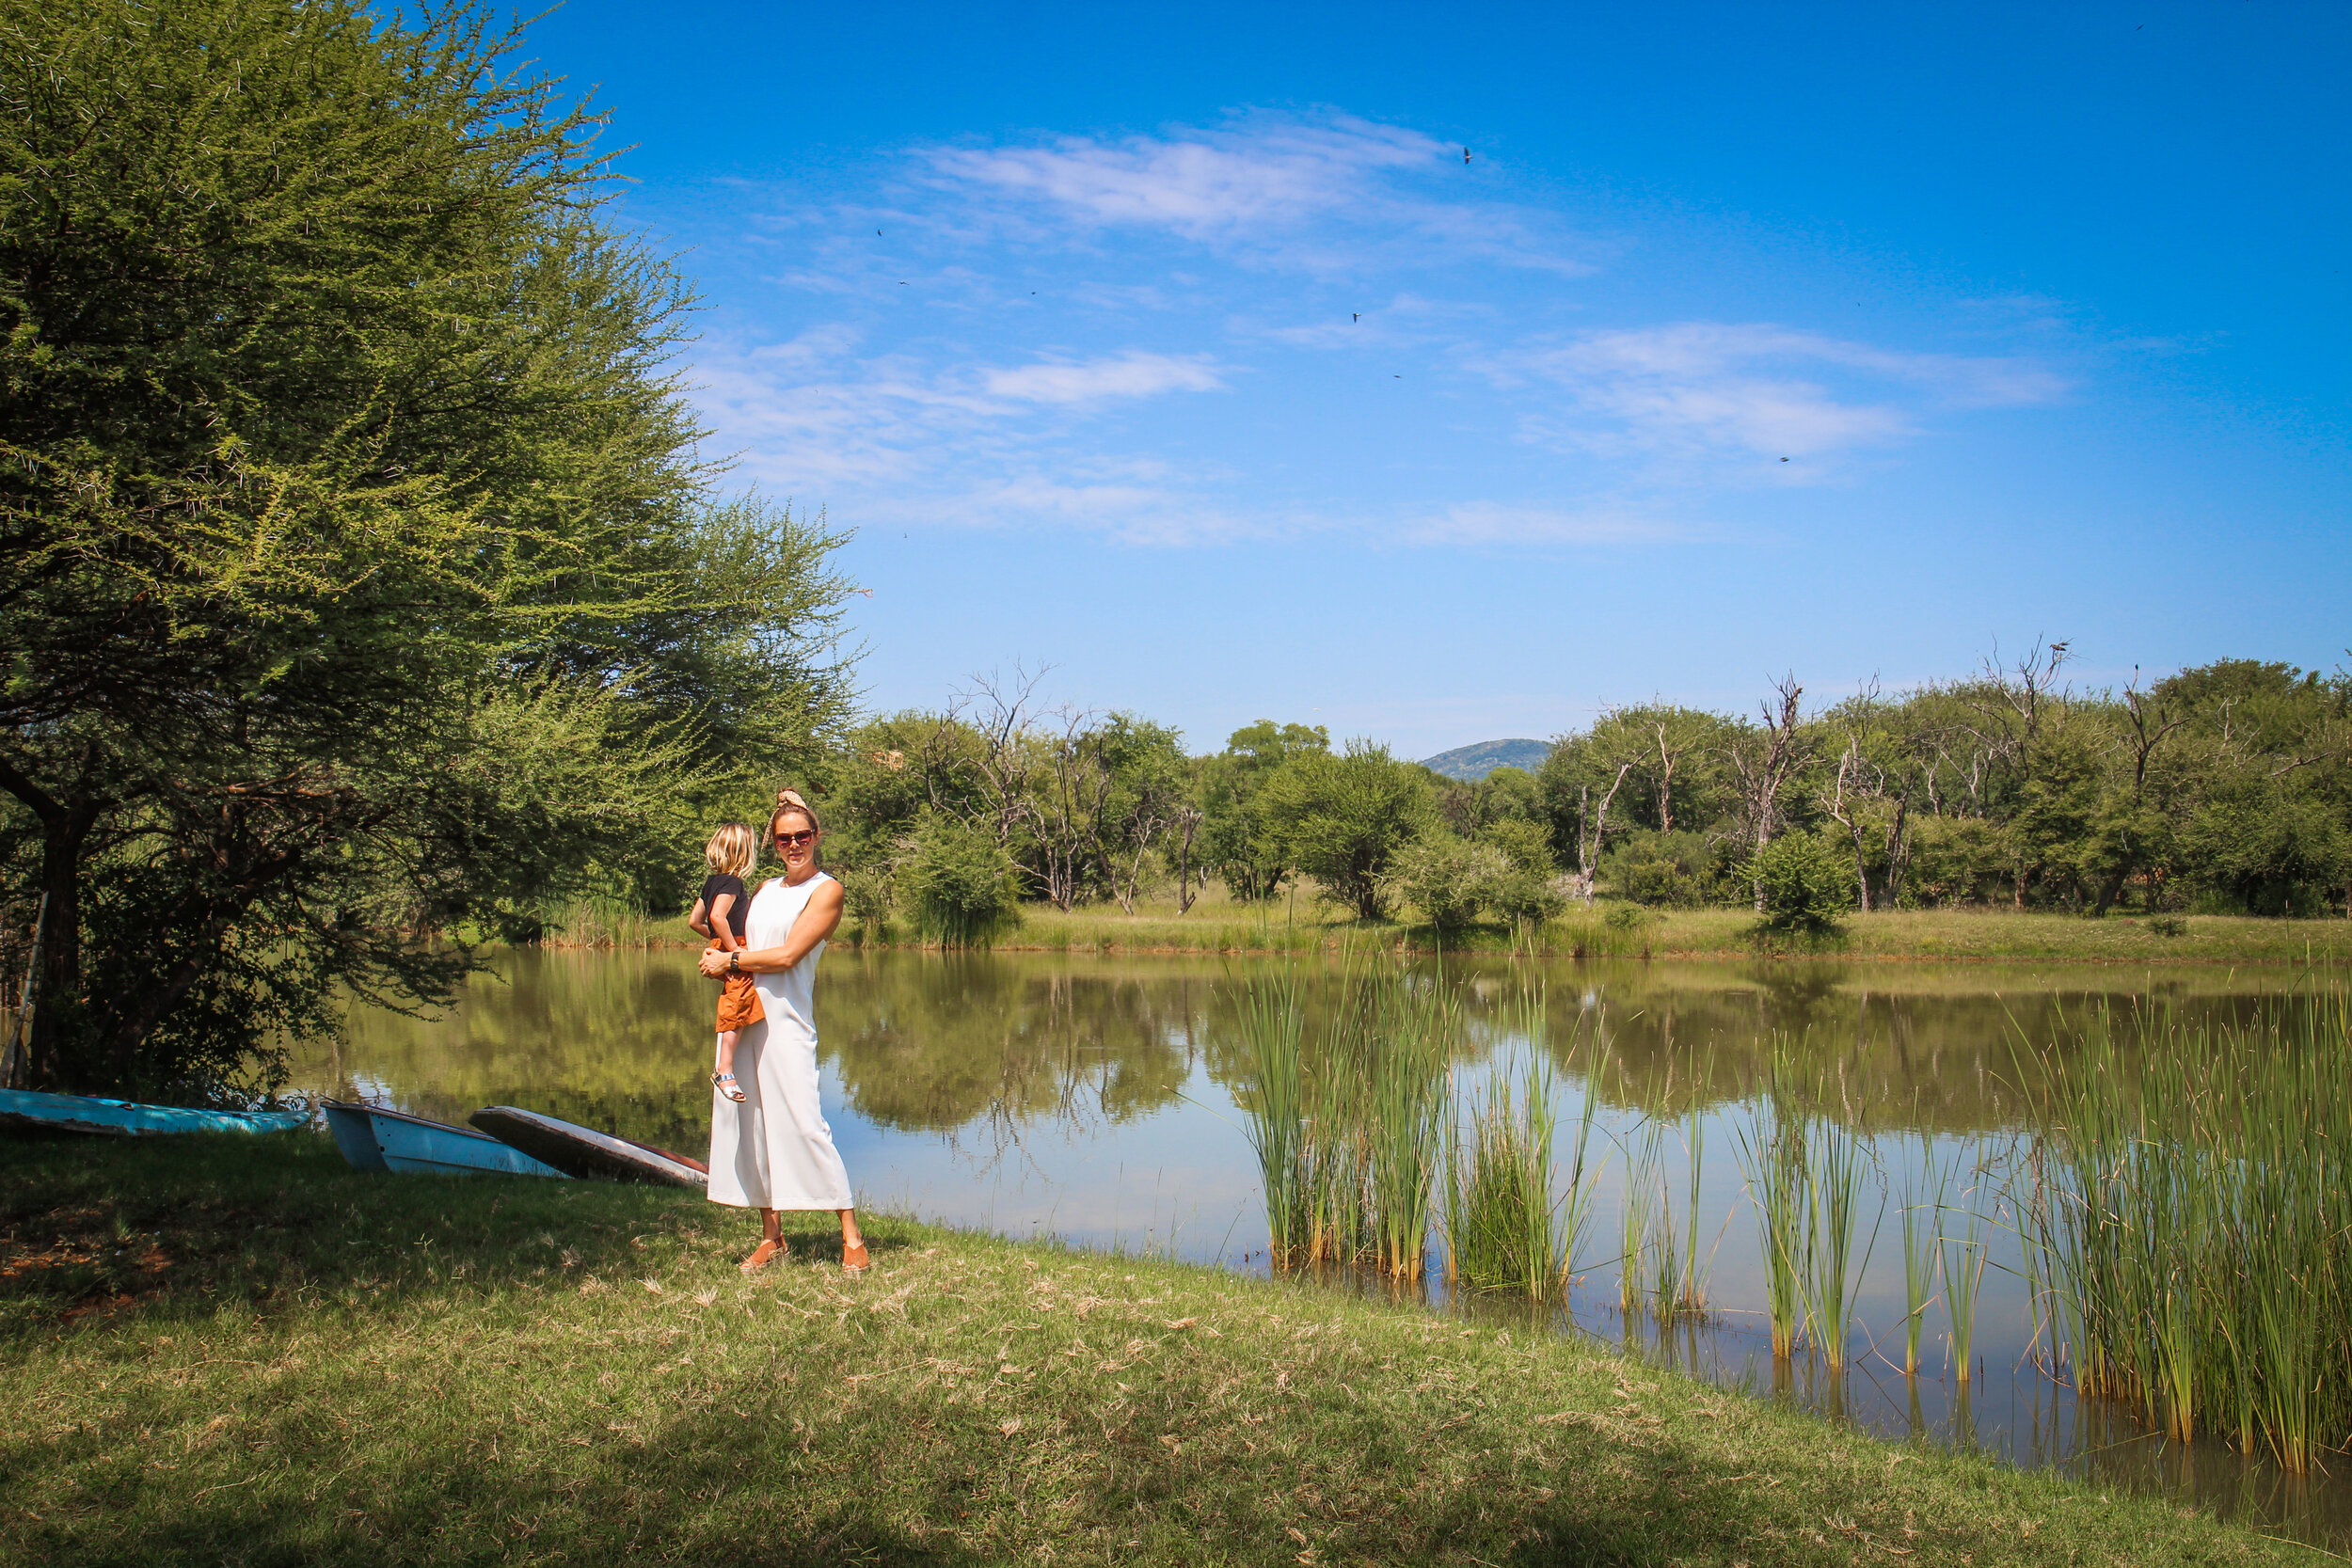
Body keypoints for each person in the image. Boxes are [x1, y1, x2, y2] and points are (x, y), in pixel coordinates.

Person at [698, 789, 866, 1275]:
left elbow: (788, 955)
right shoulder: (766, 889)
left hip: (788, 1022)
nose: (795, 844)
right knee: (750, 1126)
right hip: (746, 1017)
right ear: (773, 843)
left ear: (817, 837)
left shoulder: (827, 890)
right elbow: (735, 933)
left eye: (803, 835)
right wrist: (719, 950)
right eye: (784, 838)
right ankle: (772, 1235)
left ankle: (851, 1235)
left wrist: (729, 959)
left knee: (805, 1121)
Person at [688, 823, 764, 1103]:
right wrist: (735, 953)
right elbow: (718, 917)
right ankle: (724, 1070)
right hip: (734, 948)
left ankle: (728, 1064)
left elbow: (695, 920)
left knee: (735, 996)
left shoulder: (712, 881)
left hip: (722, 946)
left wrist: (717, 942)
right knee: (737, 1000)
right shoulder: (733, 883)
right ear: (744, 853)